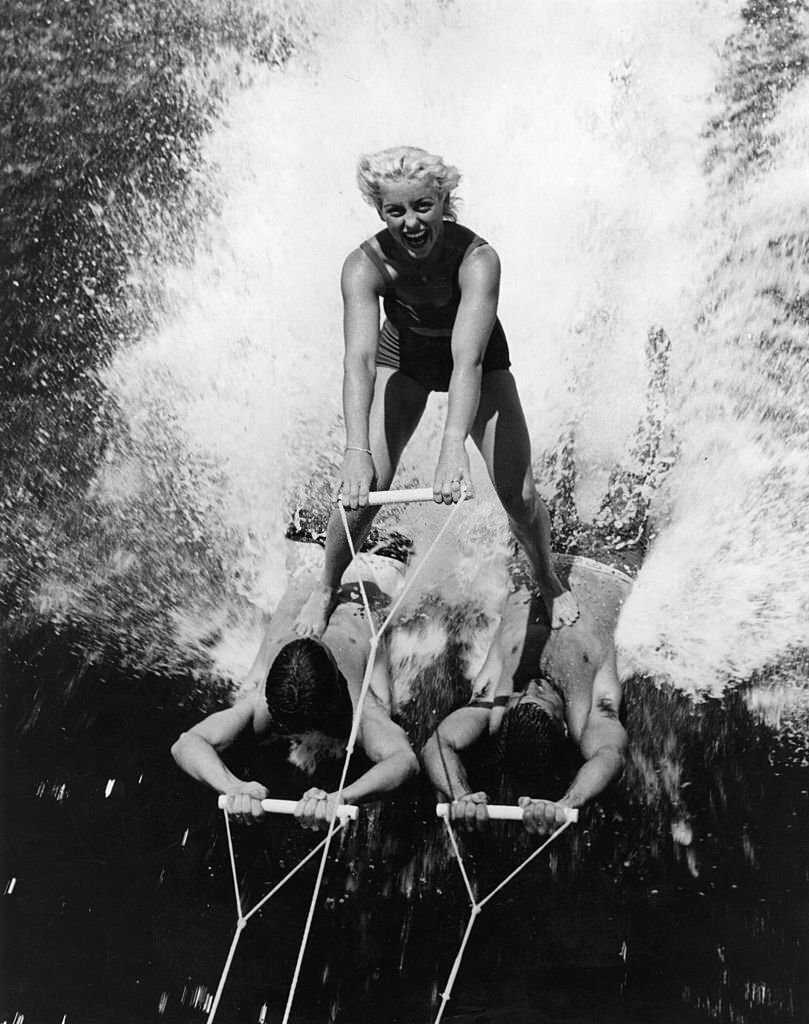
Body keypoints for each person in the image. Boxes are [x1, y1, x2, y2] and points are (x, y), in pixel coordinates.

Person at [294, 145, 578, 639]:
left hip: (478, 362)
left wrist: (453, 446)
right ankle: (326, 585)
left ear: (443, 201)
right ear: (380, 211)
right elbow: (359, 361)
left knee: (521, 494)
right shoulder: (364, 266)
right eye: (395, 211)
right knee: (359, 496)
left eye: (422, 206)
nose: (410, 223)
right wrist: (355, 449)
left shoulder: (477, 259)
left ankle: (546, 576)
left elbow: (466, 360)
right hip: (404, 360)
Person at [171, 577, 419, 830]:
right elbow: (185, 745)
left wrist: (342, 797)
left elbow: (405, 761)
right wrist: (234, 787)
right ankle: (327, 584)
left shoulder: (361, 706)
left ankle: (327, 583)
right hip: (317, 572)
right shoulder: (259, 703)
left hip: (377, 575)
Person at [421, 560, 629, 833]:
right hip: (603, 563)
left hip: (533, 556)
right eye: (542, 694)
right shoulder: (589, 714)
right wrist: (568, 803)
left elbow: (437, 745)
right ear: (563, 725)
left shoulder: (491, 704)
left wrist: (460, 795)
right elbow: (610, 754)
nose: (532, 684)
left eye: (518, 695)